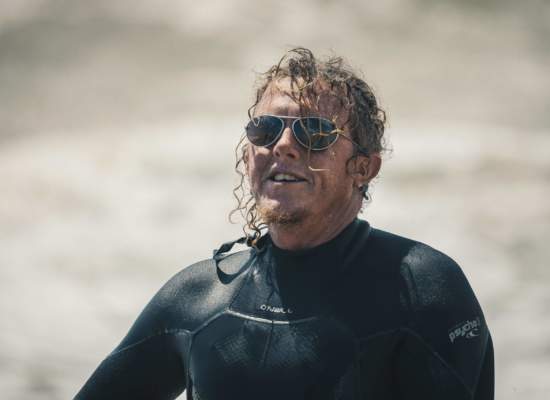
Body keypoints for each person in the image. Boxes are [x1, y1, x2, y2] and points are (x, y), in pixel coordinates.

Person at [75, 47, 494, 400]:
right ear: (247, 157)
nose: (284, 146)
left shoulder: (423, 290)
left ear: (363, 167)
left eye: (315, 132)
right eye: (266, 129)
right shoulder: (197, 299)